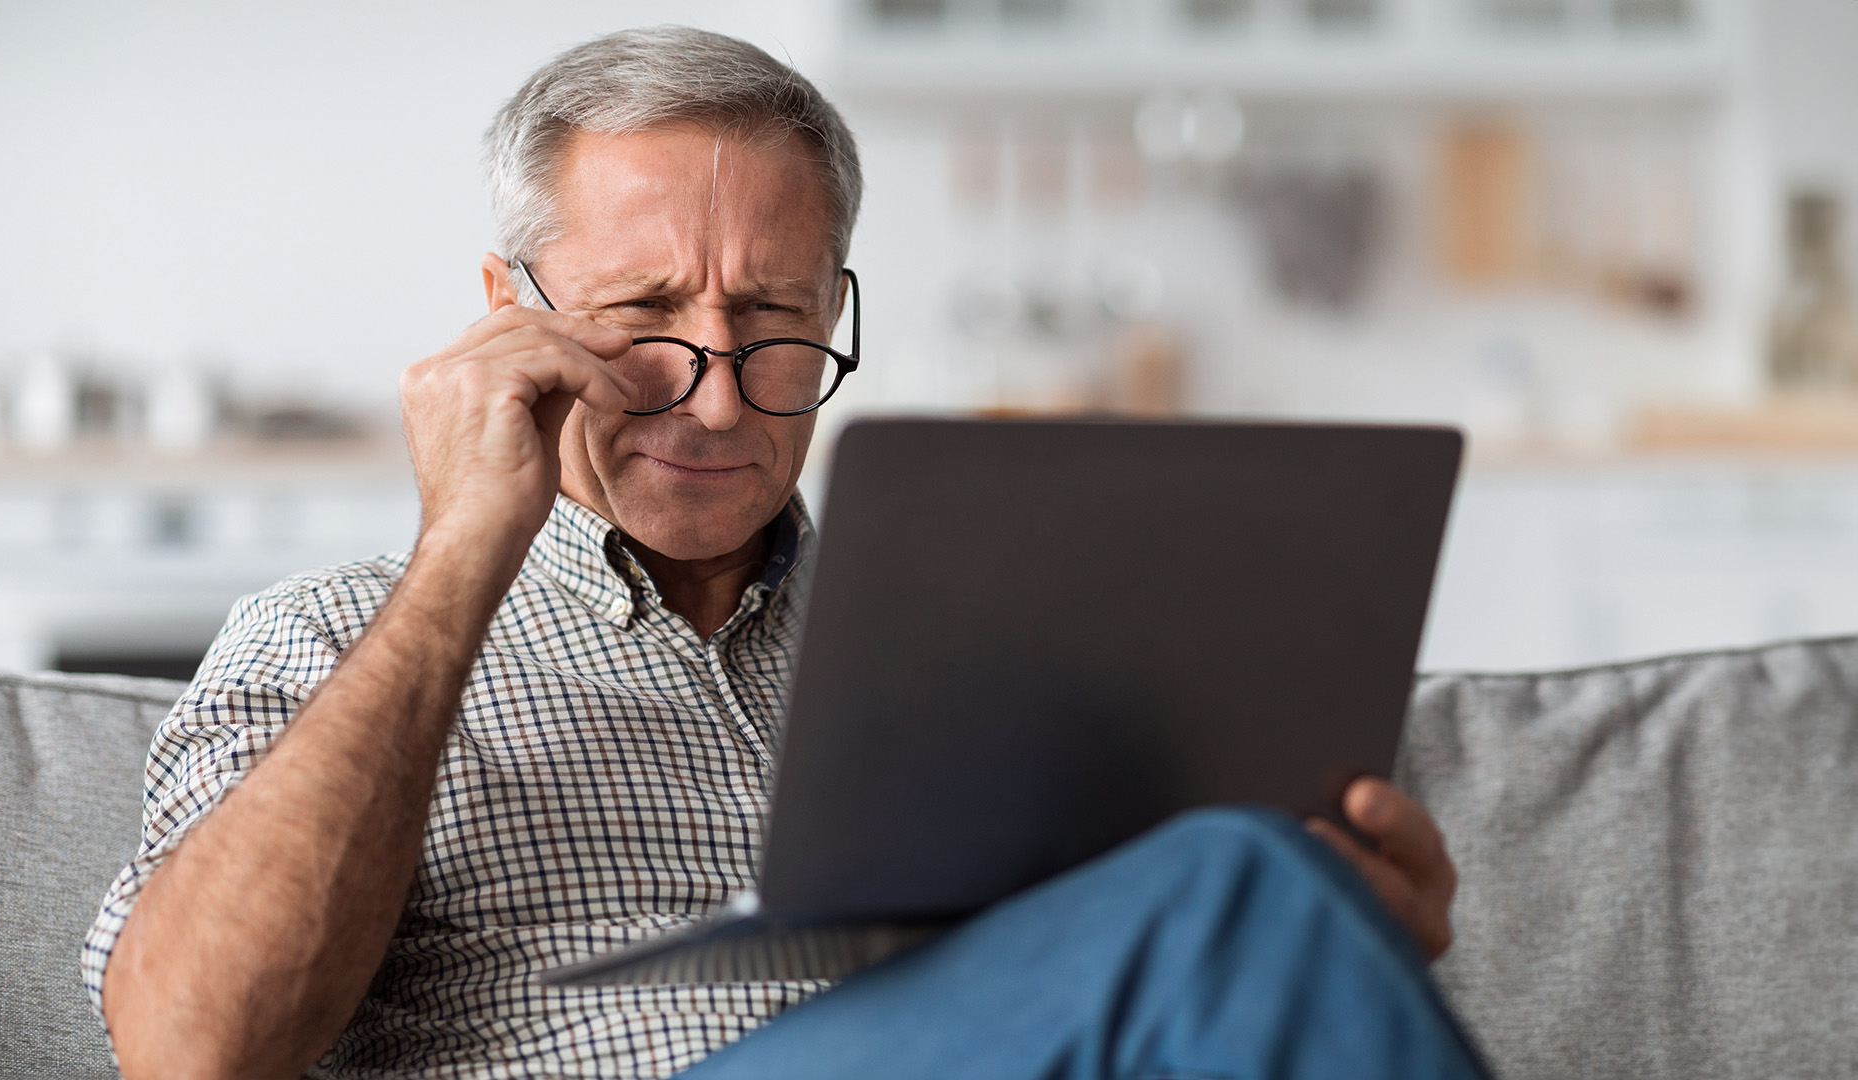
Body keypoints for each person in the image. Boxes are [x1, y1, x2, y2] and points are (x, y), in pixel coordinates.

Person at [84, 26, 1485, 1080]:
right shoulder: (331, 641)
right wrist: (461, 551)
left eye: (775, 321)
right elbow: (193, 1047)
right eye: (644, 316)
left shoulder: (988, 645)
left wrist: (1333, 933)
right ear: (509, 313)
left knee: (1251, 880)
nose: (715, 394)